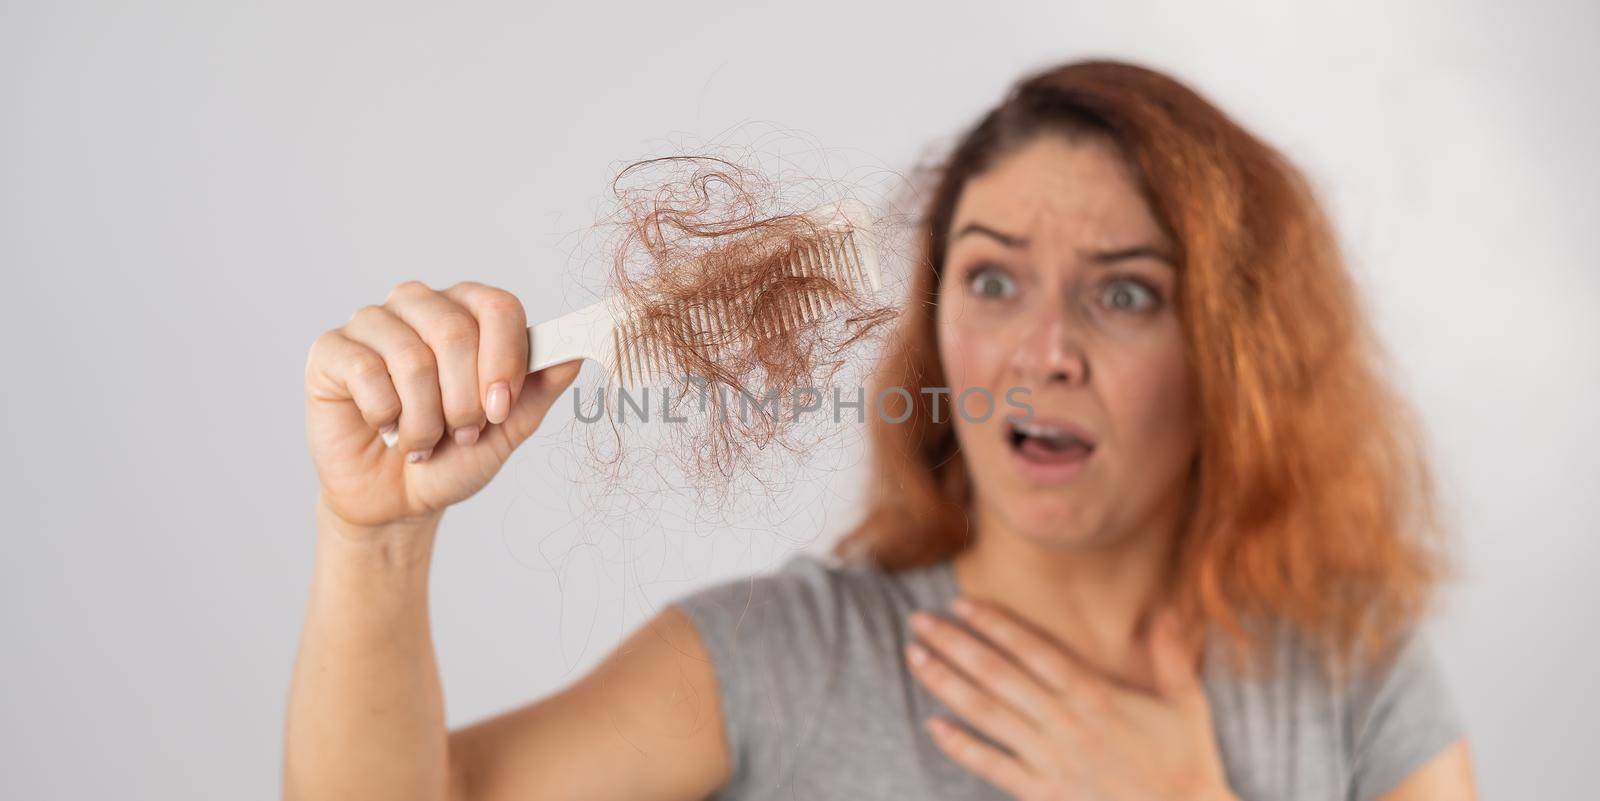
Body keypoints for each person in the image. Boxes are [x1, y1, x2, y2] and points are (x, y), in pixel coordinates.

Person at [283, 59, 1478, 800]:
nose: (1041, 349)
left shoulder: (1349, 669)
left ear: (1233, 349)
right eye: (993, 280)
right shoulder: (789, 663)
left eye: (1124, 291)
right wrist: (371, 536)